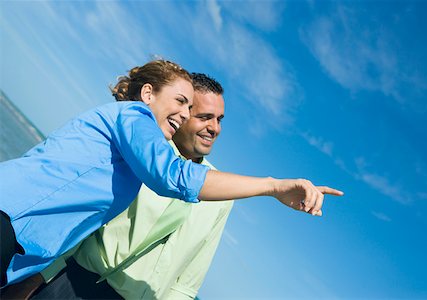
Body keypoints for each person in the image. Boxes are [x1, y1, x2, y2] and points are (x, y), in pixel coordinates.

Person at [0, 59, 343, 289]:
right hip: (14, 221)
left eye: (190, 108)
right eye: (181, 102)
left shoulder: (147, 155)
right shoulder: (134, 117)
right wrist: (273, 186)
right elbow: (173, 177)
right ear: (148, 94)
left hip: (23, 244)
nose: (184, 113)